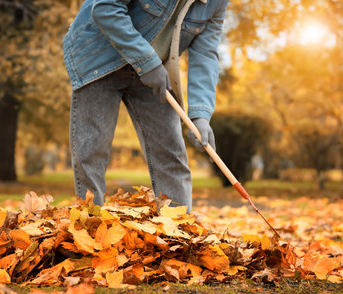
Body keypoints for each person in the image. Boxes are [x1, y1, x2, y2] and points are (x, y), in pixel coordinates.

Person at [63, 0, 228, 211]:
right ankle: (90, 226)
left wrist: (201, 115)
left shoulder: (217, 3)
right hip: (100, 56)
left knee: (171, 154)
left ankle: (178, 231)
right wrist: (147, 62)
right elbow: (106, 8)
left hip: (154, 71)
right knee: (92, 151)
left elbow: (206, 54)